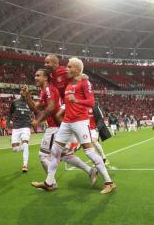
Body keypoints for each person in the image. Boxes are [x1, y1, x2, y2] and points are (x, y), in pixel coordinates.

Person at [31, 57, 115, 194]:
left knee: (89, 152)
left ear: (77, 69)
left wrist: (77, 100)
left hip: (80, 122)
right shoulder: (69, 83)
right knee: (55, 151)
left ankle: (109, 182)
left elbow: (91, 102)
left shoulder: (84, 82)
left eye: (69, 67)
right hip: (67, 122)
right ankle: (49, 182)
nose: (66, 69)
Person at [22, 69, 97, 185]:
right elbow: (34, 107)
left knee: (43, 156)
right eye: (35, 75)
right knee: (66, 155)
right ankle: (90, 171)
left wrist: (37, 121)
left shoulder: (48, 89)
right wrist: (27, 95)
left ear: (45, 78)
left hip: (55, 127)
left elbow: (51, 107)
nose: (35, 77)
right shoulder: (45, 91)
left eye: (38, 75)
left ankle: (51, 183)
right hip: (60, 127)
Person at [8, 92, 32, 172]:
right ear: (20, 92)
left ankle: (25, 165)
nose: (24, 91)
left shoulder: (30, 102)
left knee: (25, 143)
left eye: (26, 90)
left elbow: (36, 112)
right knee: (15, 149)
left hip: (26, 126)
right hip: (16, 127)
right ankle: (23, 148)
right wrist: (8, 122)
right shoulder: (15, 102)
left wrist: (36, 121)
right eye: (22, 89)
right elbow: (10, 112)